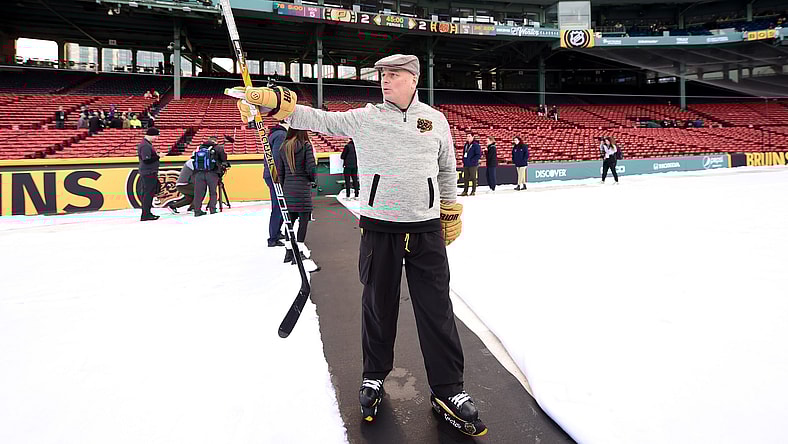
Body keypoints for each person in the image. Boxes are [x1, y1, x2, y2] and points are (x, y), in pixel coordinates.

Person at [228, 53, 485, 436]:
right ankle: (374, 376)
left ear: (413, 79)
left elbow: (447, 168)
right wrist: (275, 104)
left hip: (427, 230)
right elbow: (320, 120)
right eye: (382, 75)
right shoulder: (367, 117)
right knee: (378, 307)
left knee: (437, 311)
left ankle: (449, 388)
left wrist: (449, 209)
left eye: (394, 74)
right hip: (380, 229)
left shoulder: (435, 121)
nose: (385, 80)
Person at [274, 129, 317, 264]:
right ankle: (299, 253)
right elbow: (311, 168)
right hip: (302, 189)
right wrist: (313, 179)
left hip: (288, 189)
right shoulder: (306, 146)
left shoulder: (283, 147)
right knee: (303, 222)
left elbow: (280, 172)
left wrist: (284, 187)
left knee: (289, 222)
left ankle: (288, 252)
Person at [264, 121, 288, 247]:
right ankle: (273, 238)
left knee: (279, 205)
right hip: (276, 176)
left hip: (272, 174)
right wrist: (281, 177)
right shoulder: (281, 135)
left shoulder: (275, 134)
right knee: (278, 206)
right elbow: (277, 158)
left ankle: (276, 232)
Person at [191, 136, 228, 217]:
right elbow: (224, 159)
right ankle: (212, 209)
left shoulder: (199, 148)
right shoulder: (218, 148)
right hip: (212, 173)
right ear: (216, 141)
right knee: (213, 192)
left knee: (198, 193)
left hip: (199, 173)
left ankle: (197, 211)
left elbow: (193, 159)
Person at [137, 127, 161, 221]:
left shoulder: (146, 144)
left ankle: (147, 213)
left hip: (149, 172)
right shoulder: (145, 146)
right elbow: (147, 159)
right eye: (156, 136)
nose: (157, 138)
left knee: (149, 192)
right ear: (151, 135)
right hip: (148, 172)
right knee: (148, 193)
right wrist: (158, 156)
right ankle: (146, 214)